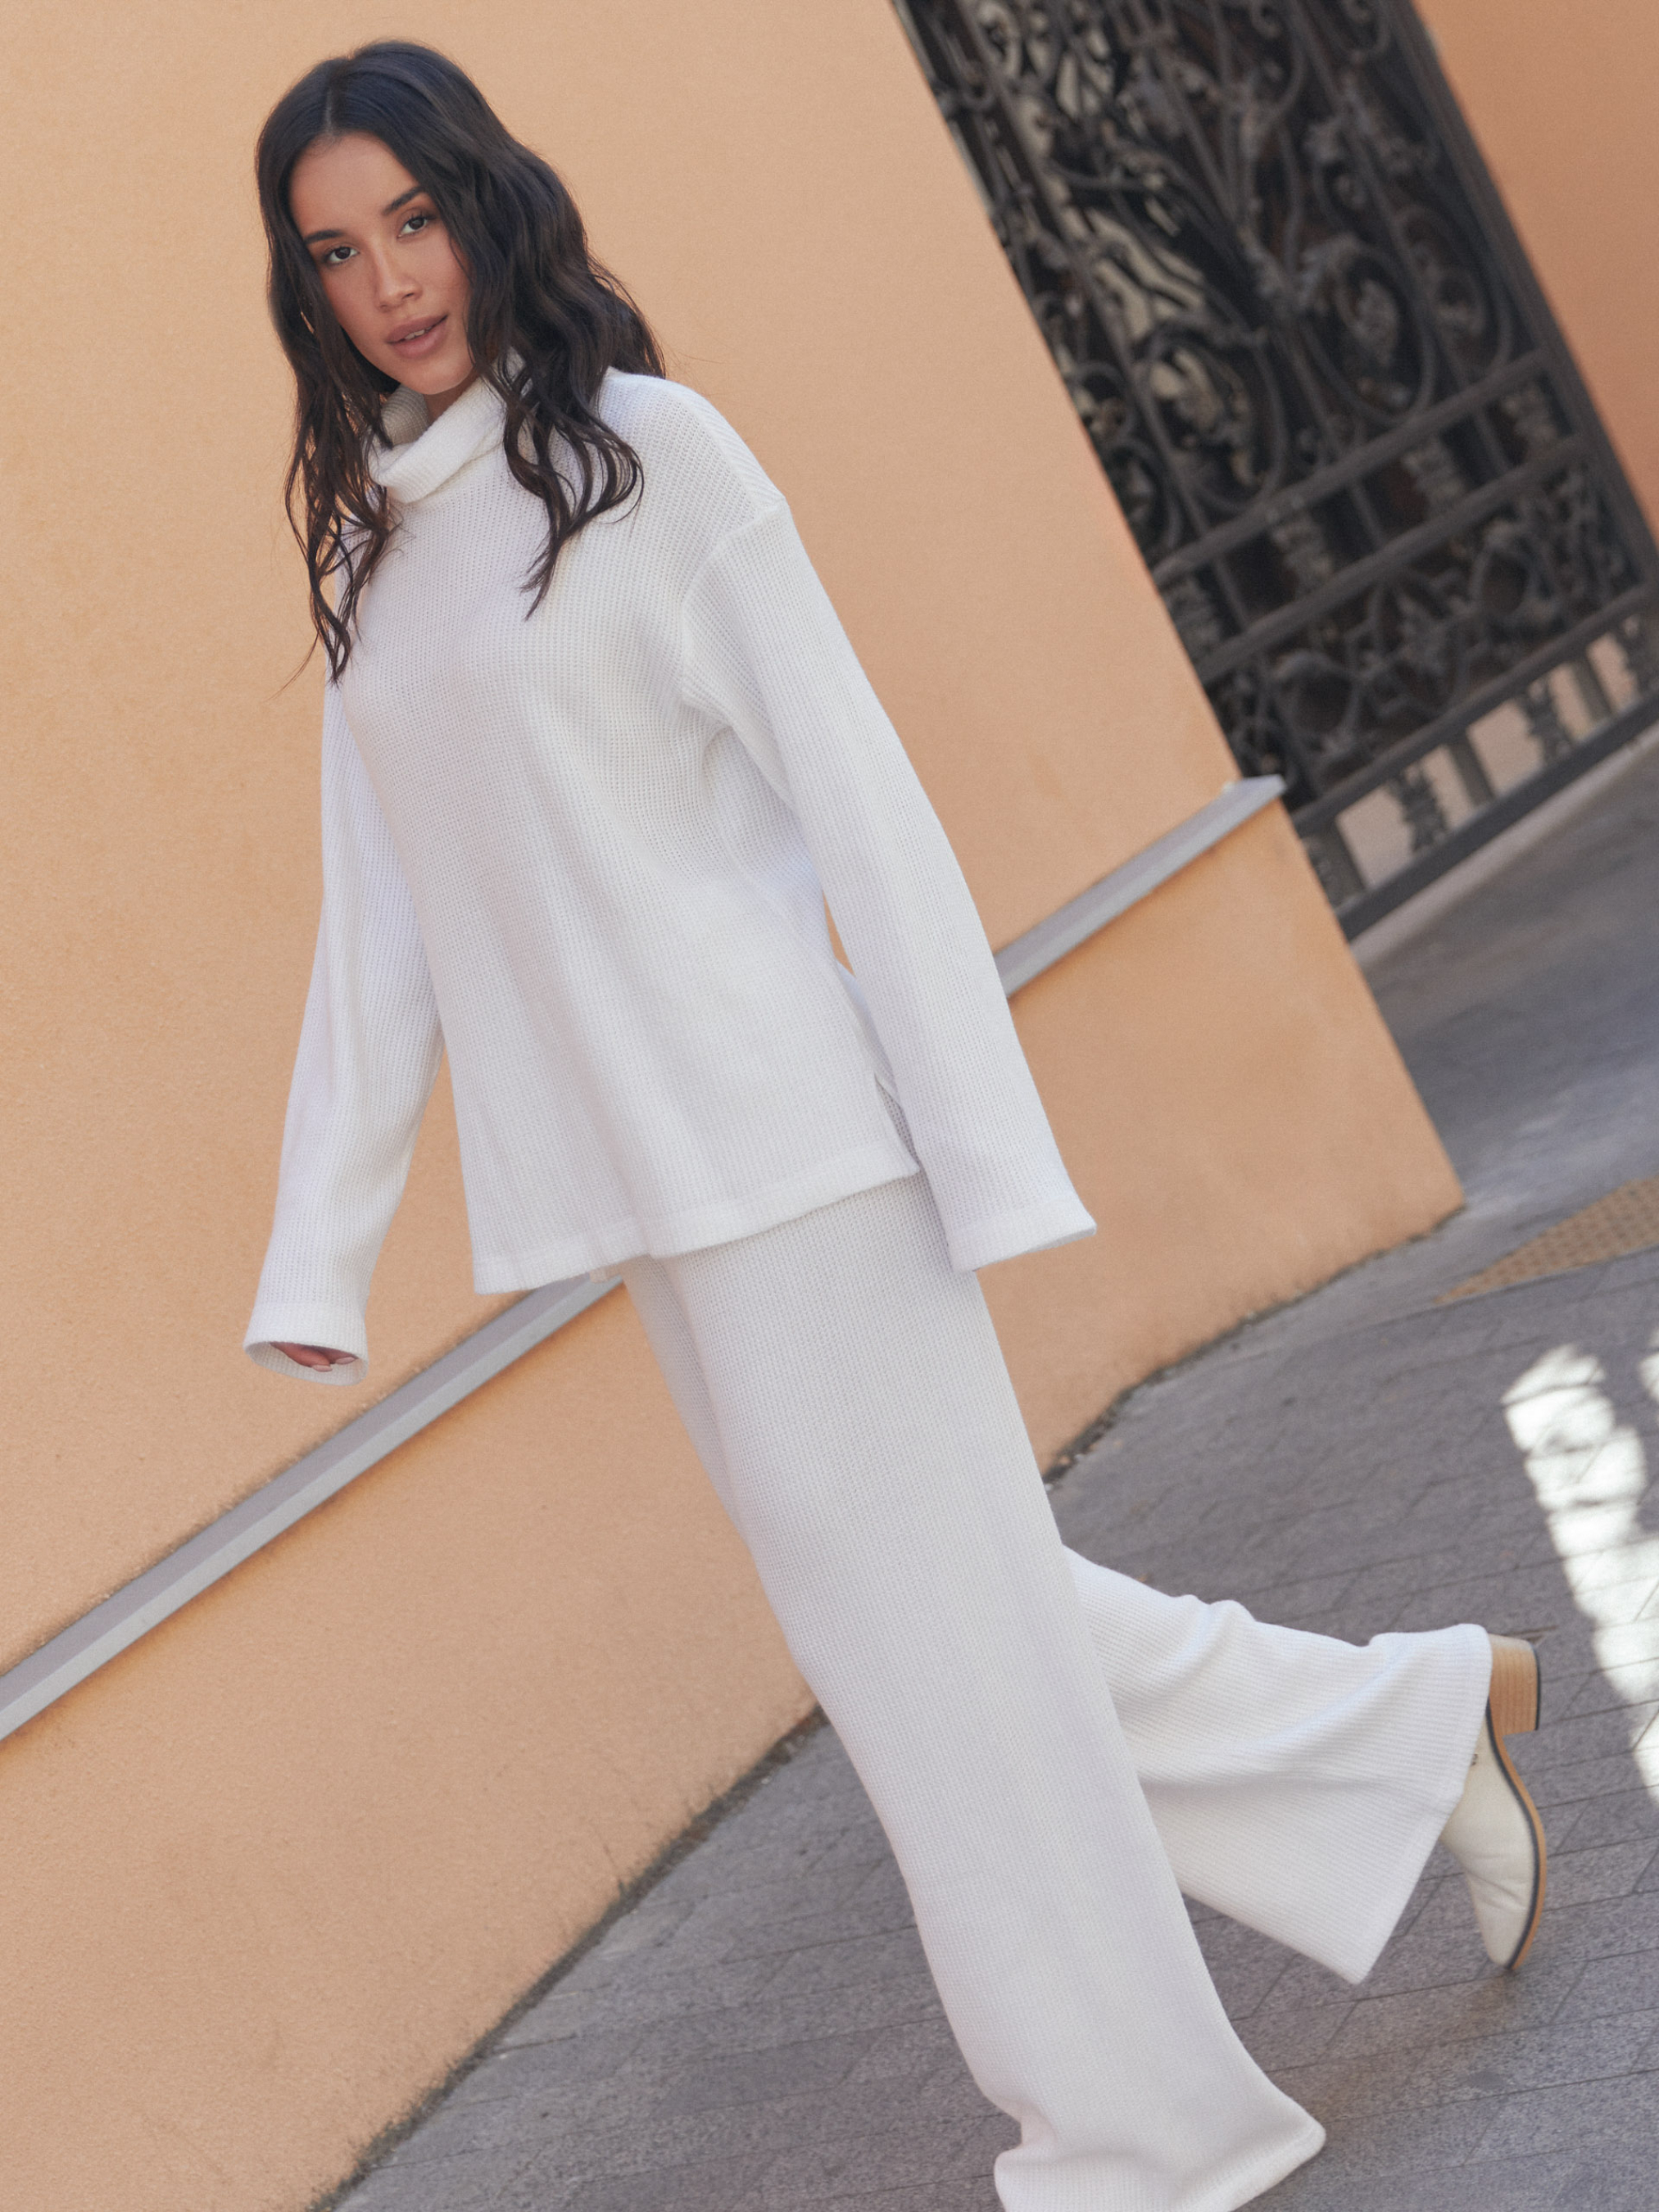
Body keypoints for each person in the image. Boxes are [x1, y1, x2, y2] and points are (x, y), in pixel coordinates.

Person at [244, 41, 1546, 2211]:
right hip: (652, 1203)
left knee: (934, 1671)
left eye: (415, 217)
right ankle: (1416, 1724)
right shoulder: (381, 562)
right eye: (334, 252)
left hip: (803, 1161)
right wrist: (322, 1248)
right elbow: (375, 932)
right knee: (953, 1626)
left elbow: (859, 804)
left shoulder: (647, 459)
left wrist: (979, 1143)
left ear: (485, 203)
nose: (390, 279)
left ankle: (1142, 2129)